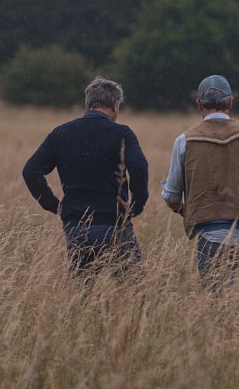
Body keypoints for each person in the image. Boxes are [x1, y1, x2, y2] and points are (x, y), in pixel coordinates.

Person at [161, 74, 239, 291]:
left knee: (217, 308)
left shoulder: (185, 140)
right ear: (230, 102)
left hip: (212, 235)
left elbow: (171, 197)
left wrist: (184, 210)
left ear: (199, 105)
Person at [22, 76, 148, 274]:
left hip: (76, 226)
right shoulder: (122, 133)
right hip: (114, 223)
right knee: (136, 288)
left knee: (84, 295)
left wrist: (55, 206)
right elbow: (139, 166)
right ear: (115, 105)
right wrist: (136, 206)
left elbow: (30, 172)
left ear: (88, 104)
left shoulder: (60, 133)